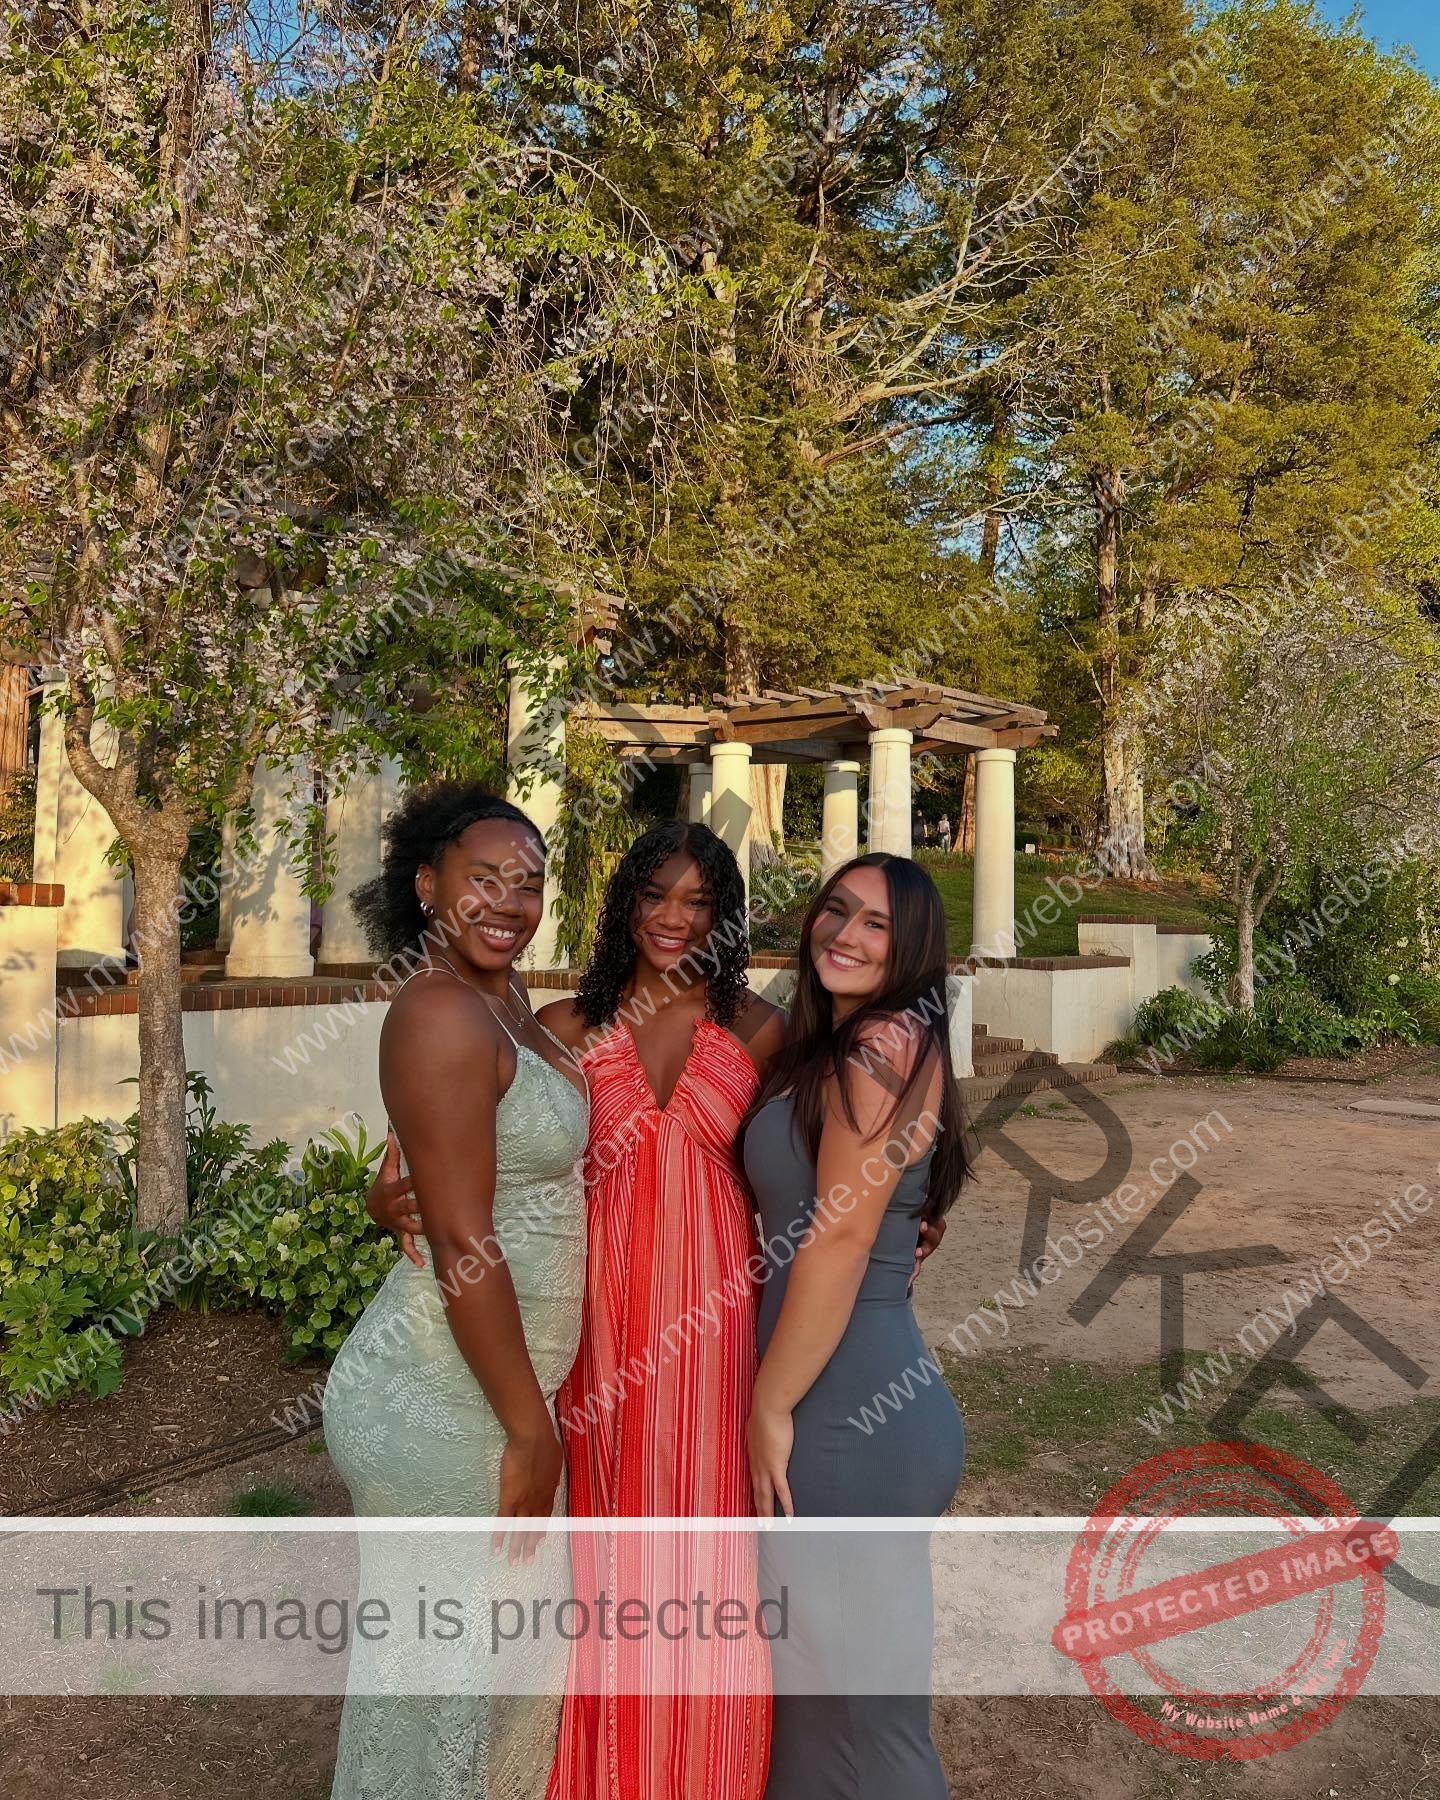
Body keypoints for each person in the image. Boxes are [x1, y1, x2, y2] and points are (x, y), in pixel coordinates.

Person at [324, 781, 590, 1800]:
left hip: (495, 1393)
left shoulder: (507, 999)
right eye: (483, 879)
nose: (509, 902)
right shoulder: (439, 1009)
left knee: (489, 1679)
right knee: (444, 1681)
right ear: (426, 884)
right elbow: (467, 1241)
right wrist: (530, 1432)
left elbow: (442, 1178)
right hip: (449, 1400)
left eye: (528, 884)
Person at [741, 852, 969, 1799]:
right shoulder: (837, 1048)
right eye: (836, 911)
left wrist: (768, 1403)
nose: (847, 934)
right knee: (811, 1705)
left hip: (845, 1415)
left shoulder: (881, 1044)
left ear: (911, 944)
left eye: (877, 923)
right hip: (842, 1397)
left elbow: (836, 1241)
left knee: (870, 1725)